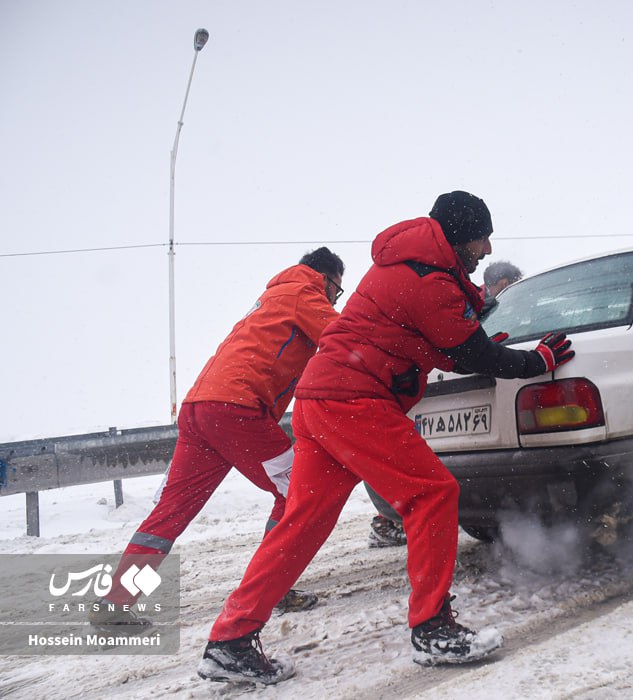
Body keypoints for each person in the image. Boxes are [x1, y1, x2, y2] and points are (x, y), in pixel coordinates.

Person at [198, 191, 575, 684]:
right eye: (482, 237)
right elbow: (473, 356)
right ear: (461, 234)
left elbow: (442, 345)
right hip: (354, 399)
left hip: (320, 399)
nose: (486, 249)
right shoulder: (427, 280)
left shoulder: (412, 268)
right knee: (433, 493)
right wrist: (537, 361)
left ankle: (230, 641)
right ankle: (433, 629)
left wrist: (480, 343)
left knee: (303, 521)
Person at [89, 247, 345, 631]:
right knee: (298, 493)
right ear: (325, 279)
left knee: (172, 510)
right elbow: (344, 339)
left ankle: (116, 602)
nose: (333, 299)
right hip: (237, 409)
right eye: (337, 291)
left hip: (199, 408)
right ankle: (270, 589)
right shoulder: (304, 292)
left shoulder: (273, 296)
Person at [366, 258, 523, 548]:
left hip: (416, 392)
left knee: (405, 471)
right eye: (510, 284)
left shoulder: (462, 300)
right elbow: (460, 345)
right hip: (390, 392)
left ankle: (388, 523)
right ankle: (390, 528)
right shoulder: (477, 303)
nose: (511, 289)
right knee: (423, 481)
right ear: (502, 284)